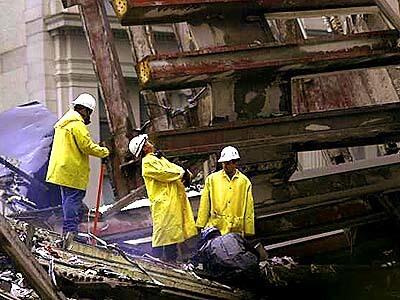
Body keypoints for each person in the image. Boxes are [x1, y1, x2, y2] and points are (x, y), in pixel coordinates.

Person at [46, 93, 109, 238]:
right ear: (85, 110)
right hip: (71, 170)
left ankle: (69, 230)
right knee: (73, 200)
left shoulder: (64, 123)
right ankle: (70, 232)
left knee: (68, 200)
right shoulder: (77, 124)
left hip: (61, 169)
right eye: (89, 113)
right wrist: (104, 152)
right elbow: (86, 146)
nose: (89, 117)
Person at [129, 134, 197, 262]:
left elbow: (171, 168)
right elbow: (165, 173)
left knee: (170, 233)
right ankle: (159, 259)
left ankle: (166, 260)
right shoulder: (147, 162)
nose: (150, 143)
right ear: (144, 148)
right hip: (164, 202)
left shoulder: (155, 159)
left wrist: (182, 172)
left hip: (170, 200)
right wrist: (182, 173)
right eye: (147, 142)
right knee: (165, 233)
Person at [196, 146, 255, 236]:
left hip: (235, 229)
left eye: (228, 163)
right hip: (216, 227)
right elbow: (205, 203)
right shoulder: (212, 179)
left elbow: (248, 208)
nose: (226, 165)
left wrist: (248, 230)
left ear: (235, 163)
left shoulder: (244, 182)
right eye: (224, 163)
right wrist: (201, 224)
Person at [191, 226, 261, 288]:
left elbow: (195, 261)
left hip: (232, 276)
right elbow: (253, 250)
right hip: (251, 266)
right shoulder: (233, 235)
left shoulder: (207, 245)